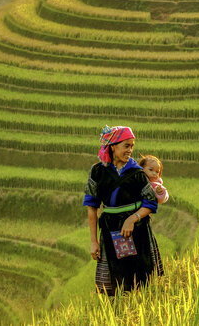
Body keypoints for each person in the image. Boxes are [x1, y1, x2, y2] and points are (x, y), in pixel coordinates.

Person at [83, 126, 164, 295]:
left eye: (132, 146)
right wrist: (93, 241)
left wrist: (132, 219)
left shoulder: (137, 172)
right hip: (111, 229)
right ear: (113, 146)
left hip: (138, 230)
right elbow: (92, 207)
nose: (130, 150)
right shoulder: (97, 171)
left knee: (143, 276)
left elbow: (150, 203)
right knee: (115, 280)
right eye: (126, 146)